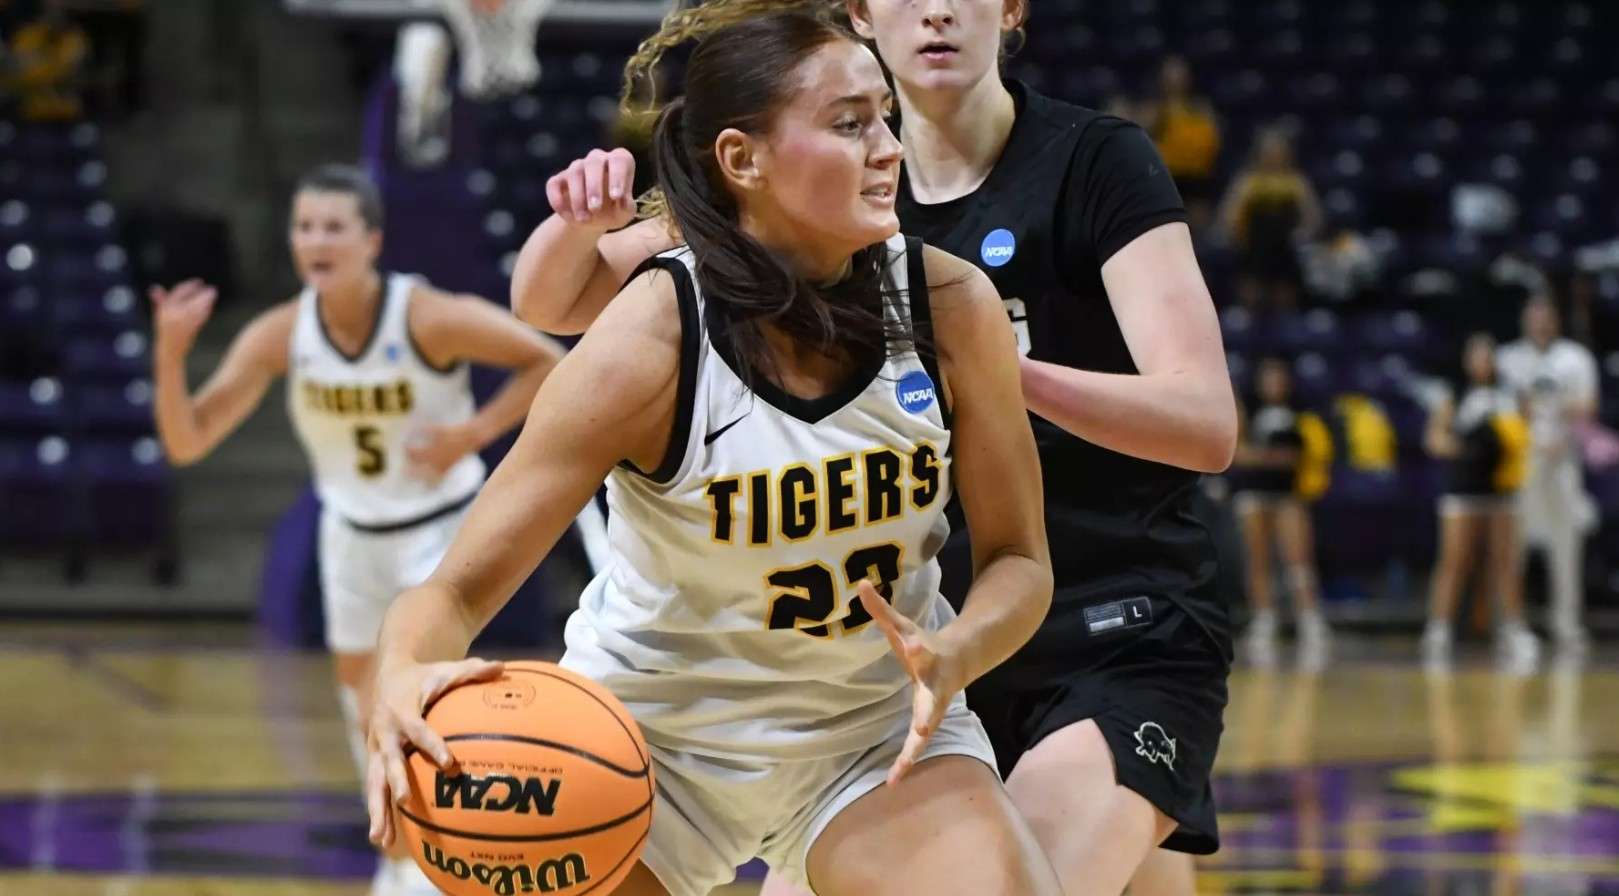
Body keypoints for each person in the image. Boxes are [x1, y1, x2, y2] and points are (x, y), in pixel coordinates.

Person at [509, 1, 1239, 893]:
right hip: (915, 637)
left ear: (1011, 10)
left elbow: (1205, 424)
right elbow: (555, 302)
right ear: (858, 16)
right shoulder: (819, 182)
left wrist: (995, 370)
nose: (936, 11)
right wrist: (576, 220)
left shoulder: (1091, 160)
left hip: (1108, 615)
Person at [364, 14, 1061, 896]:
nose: (889, 149)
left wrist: (958, 650)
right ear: (742, 159)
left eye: (886, 119)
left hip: (873, 733)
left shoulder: (951, 304)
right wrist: (401, 673)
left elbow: (1018, 560)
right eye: (850, 124)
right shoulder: (648, 341)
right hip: (651, 744)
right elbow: (456, 591)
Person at [148, 164, 562, 896]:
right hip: (349, 536)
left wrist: (471, 434)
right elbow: (187, 440)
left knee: (420, 695)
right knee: (360, 701)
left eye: (334, 227)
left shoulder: (425, 315)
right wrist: (171, 354)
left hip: (437, 533)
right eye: (304, 227)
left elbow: (544, 359)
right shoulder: (282, 334)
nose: (317, 240)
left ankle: (439, 857)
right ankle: (398, 849)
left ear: (371, 241)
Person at [1419, 333, 1539, 671]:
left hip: (1501, 488)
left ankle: (1514, 629)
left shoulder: (1510, 394)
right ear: (1467, 360)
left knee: (1505, 560)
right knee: (1455, 560)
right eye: (1476, 355)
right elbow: (1434, 438)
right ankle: (1439, 629)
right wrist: (1464, 448)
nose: (1482, 362)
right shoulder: (1455, 395)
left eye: (1488, 355)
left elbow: (1527, 430)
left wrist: (1505, 444)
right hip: (1463, 487)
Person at [1495, 295, 1601, 655]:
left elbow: (1588, 406)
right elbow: (1505, 411)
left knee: (1566, 545)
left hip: (1563, 460)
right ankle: (1511, 624)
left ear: (1556, 320)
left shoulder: (1575, 357)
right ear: (1525, 320)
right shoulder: (1508, 358)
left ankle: (1566, 625)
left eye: (1546, 317)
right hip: (1521, 462)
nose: (1540, 323)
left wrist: (1554, 405)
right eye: (1534, 317)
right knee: (1514, 546)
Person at [1230, 357, 1332, 668]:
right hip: (1254, 493)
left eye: (1279, 377)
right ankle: (1264, 618)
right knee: (1258, 558)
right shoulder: (1248, 410)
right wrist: (1272, 457)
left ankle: (1309, 618)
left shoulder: (1300, 412)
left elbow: (1308, 454)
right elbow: (1237, 452)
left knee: (1298, 559)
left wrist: (1272, 458)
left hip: (1289, 494)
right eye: (1269, 377)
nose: (1275, 384)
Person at [1216, 127, 1323, 314]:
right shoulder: (1248, 181)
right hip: (1254, 246)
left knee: (1284, 296)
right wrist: (1235, 234)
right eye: (1269, 152)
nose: (1273, 156)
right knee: (1250, 293)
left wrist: (1304, 233)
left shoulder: (1296, 182)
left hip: (1285, 247)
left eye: (1278, 151)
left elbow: (1312, 215)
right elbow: (1229, 213)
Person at [1139, 55, 1221, 235]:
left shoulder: (1200, 107)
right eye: (1170, 73)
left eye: (1179, 73)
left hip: (1196, 177)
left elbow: (1212, 140)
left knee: (1197, 230)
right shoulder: (1153, 109)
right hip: (1165, 178)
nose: (1175, 78)